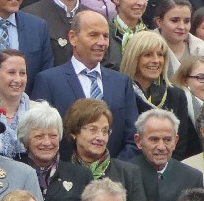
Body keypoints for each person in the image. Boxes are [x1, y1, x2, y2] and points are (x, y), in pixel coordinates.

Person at [30, 10, 140, 158]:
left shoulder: (122, 83)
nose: (101, 43)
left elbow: (133, 138)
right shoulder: (49, 81)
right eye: (93, 35)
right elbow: (40, 135)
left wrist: (113, 168)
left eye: (105, 36)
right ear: (73, 38)